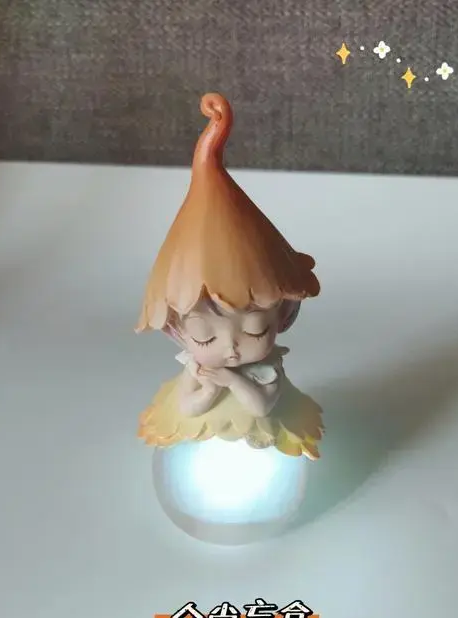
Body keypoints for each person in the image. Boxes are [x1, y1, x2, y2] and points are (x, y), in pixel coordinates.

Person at [136, 92, 323, 459]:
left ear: (283, 317)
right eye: (205, 337)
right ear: (176, 330)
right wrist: (208, 389)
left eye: (255, 331)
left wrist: (231, 380)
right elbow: (188, 406)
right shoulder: (197, 368)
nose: (231, 347)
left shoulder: (266, 369)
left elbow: (261, 407)